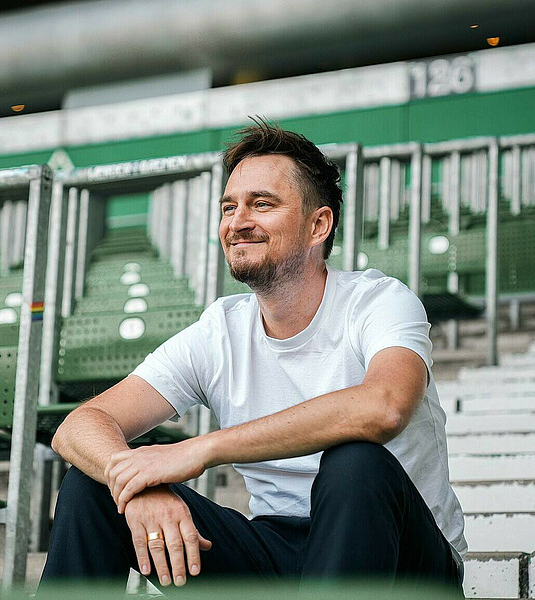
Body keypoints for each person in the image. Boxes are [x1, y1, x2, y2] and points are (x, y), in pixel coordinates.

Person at [37, 119, 467, 596]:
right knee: (95, 484)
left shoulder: (379, 301)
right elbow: (79, 426)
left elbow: (384, 407)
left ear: (318, 225)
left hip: (403, 559)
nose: (237, 221)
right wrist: (138, 485)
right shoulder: (221, 330)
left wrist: (200, 449)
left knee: (355, 462)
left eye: (262, 204)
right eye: (229, 207)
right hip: (276, 553)